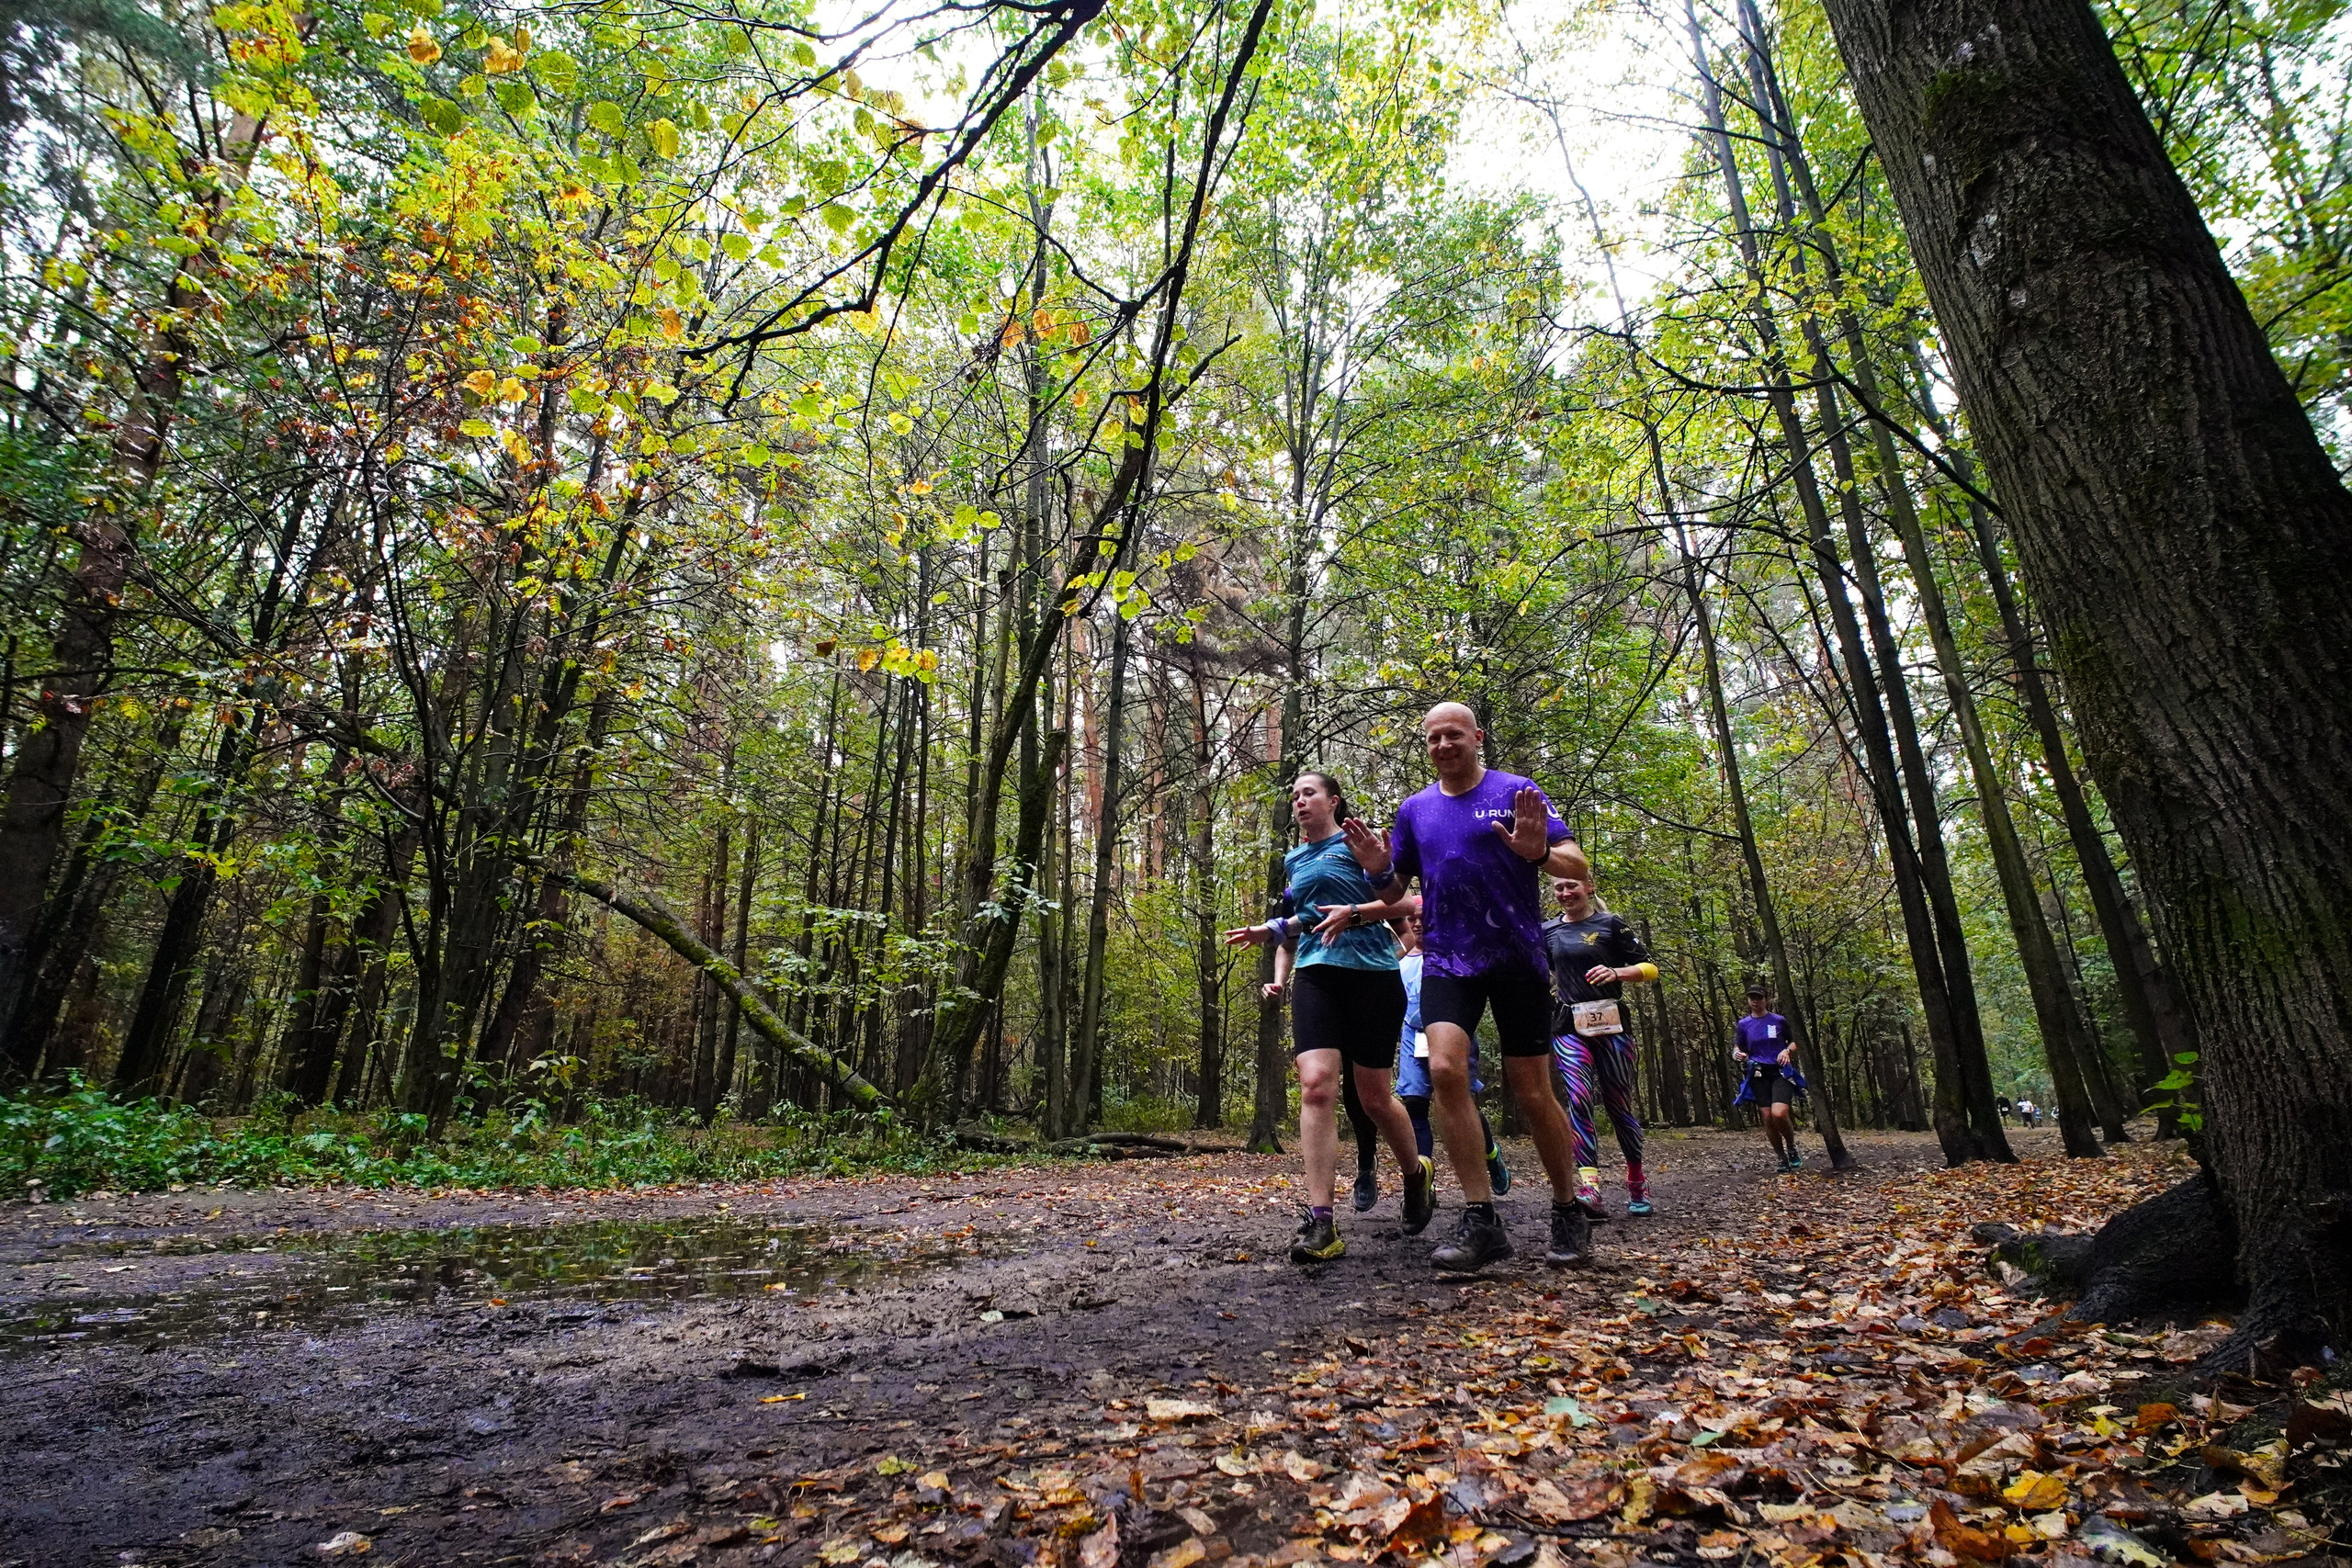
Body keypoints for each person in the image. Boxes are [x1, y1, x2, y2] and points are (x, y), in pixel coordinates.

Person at [1340, 702, 1592, 1272]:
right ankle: (1481, 1219)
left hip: (1516, 958)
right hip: (1448, 961)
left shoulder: (1517, 790)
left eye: (1453, 734)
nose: (1443, 745)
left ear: (1477, 737)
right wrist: (1378, 867)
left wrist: (1541, 852)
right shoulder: (1415, 810)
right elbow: (1390, 893)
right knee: (1447, 1071)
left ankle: (1567, 1206)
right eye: (1432, 738)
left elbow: (1578, 866)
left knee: (1531, 1089)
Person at [1226, 772, 1430, 1264]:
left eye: (1309, 793)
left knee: (1376, 1098)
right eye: (1294, 795)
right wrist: (1271, 929)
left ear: (1332, 801)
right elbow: (1307, 917)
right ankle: (1322, 1222)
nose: (1299, 801)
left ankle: (1416, 1172)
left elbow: (1410, 902)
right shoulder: (1294, 859)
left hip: (1374, 976)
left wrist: (1357, 911)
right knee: (1316, 1084)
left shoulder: (1361, 842)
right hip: (1317, 974)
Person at [1544, 873, 1660, 1220]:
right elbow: (1538, 970)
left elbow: (1650, 967)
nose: (1565, 893)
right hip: (1568, 1026)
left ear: (1588, 887)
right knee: (1579, 1099)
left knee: (1618, 1105)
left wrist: (1617, 973)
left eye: (1571, 886)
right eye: (1559, 888)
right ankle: (1589, 1188)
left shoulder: (1610, 924)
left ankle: (1637, 1180)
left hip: (1612, 1026)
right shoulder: (1546, 930)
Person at [1392, 905, 1511, 1201]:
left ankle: (1490, 1153)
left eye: (1423, 919)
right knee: (1414, 1104)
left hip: (1454, 1033)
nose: (1418, 924)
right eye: (1411, 920)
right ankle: (1424, 1181)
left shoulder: (1452, 954)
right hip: (1412, 1036)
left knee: (1460, 1100)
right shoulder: (1398, 959)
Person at [1732, 983, 1808, 1171]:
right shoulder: (1743, 1024)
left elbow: (1795, 1041)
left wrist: (1786, 1051)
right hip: (1758, 1073)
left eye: (1759, 998)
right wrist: (1737, 1055)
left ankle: (1791, 1148)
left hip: (1780, 1071)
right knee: (1767, 1117)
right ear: (1748, 1001)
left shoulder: (1778, 1020)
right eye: (1752, 998)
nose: (1755, 1002)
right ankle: (1781, 1158)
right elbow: (1738, 1047)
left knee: (1779, 1113)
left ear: (1766, 1000)